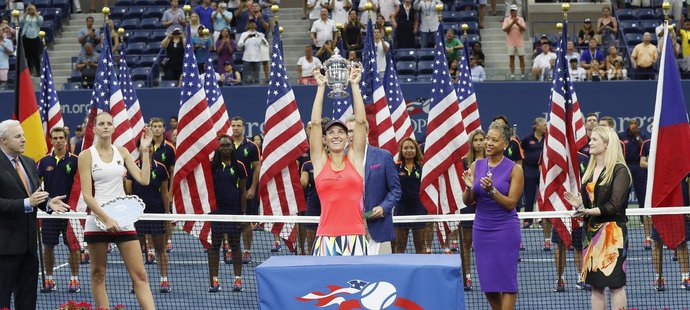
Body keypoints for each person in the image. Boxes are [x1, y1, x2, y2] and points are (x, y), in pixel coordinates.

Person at [77, 112, 156, 310]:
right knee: (98, 274)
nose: (105, 126)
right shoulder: (86, 156)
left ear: (114, 128)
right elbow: (87, 195)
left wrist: (145, 152)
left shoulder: (123, 152)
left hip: (123, 219)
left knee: (140, 275)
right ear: (94, 128)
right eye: (101, 123)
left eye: (109, 123)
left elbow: (144, 180)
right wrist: (105, 218)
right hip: (97, 219)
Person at [0, 120, 70, 309]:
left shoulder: (29, 162)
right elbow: (26, 201)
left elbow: (35, 196)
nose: (24, 139)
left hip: (30, 248)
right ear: (3, 140)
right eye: (18, 136)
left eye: (23, 135)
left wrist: (48, 203)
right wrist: (26, 203)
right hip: (4, 248)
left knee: (27, 300)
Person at [564, 126, 631, 310]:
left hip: (613, 234)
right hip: (591, 235)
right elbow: (588, 206)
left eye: (594, 140)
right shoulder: (589, 170)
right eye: (590, 139)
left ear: (607, 144)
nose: (589, 143)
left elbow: (615, 205)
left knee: (616, 286)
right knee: (596, 286)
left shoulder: (620, 171)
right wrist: (579, 204)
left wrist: (587, 211)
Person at [462, 121, 524, 309]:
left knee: (506, 281)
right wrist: (469, 188)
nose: (488, 143)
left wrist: (492, 191)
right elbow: (467, 201)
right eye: (487, 138)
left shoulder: (515, 169)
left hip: (506, 229)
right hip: (481, 228)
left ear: (505, 145)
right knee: (488, 284)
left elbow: (511, 203)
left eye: (494, 140)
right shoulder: (475, 165)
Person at [310, 63, 368, 256]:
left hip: (356, 239)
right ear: (325, 139)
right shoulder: (319, 162)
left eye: (341, 132)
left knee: (358, 286)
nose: (336, 135)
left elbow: (360, 121)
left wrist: (354, 85)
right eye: (331, 132)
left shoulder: (355, 159)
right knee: (325, 287)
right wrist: (320, 87)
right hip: (326, 239)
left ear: (347, 138)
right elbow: (316, 123)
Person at [345, 114, 401, 255]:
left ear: (366, 132)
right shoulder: (340, 159)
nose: (353, 134)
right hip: (348, 227)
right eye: (350, 131)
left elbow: (395, 190)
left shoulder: (384, 156)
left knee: (383, 272)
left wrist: (383, 207)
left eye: (357, 130)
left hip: (379, 227)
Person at [641, 139, 690, 291]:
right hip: (660, 205)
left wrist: (688, 207)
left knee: (681, 242)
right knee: (657, 242)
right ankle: (659, 278)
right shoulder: (656, 158)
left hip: (680, 206)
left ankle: (686, 277)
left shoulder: (684, 157)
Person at [37, 127, 81, 294]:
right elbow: (35, 184)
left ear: (65, 138)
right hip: (51, 212)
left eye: (61, 137)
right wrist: (45, 202)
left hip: (71, 212)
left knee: (73, 247)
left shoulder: (76, 160)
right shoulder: (44, 161)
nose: (58, 141)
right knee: (48, 246)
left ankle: (74, 279)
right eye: (54, 138)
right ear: (51, 140)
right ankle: (49, 279)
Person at [124, 138, 171, 294]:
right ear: (139, 148)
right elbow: (128, 192)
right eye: (145, 147)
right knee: (136, 251)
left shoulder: (161, 168)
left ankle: (164, 280)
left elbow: (165, 193)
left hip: (156, 213)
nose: (148, 149)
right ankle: (136, 282)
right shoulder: (132, 167)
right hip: (137, 215)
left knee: (160, 248)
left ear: (153, 148)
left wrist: (166, 214)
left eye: (150, 147)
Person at [207, 135, 247, 292]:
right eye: (222, 146)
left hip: (233, 211)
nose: (225, 148)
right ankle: (214, 281)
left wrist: (243, 214)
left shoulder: (239, 166)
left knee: (235, 246)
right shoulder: (211, 166)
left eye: (228, 146)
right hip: (215, 211)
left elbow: (243, 190)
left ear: (232, 147)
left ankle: (237, 280)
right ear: (218, 148)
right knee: (214, 247)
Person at [551, 151, 589, 292]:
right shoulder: (555, 157)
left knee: (579, 246)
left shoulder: (584, 158)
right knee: (560, 246)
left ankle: (581, 277)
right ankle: (559, 278)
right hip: (560, 209)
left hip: (578, 208)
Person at [230, 116, 261, 263]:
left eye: (238, 125)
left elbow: (257, 168)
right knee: (228, 221)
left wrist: (253, 188)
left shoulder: (252, 146)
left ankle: (247, 251)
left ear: (243, 128)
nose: (235, 128)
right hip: (229, 190)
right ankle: (230, 249)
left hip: (246, 190)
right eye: (233, 125)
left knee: (246, 221)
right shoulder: (225, 144)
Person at [459, 129, 486, 291]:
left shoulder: (493, 161)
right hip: (469, 205)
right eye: (475, 140)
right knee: (467, 243)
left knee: (483, 244)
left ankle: (485, 276)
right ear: (471, 142)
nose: (478, 142)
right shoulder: (464, 161)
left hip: (486, 206)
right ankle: (467, 277)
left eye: (481, 139)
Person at [619, 119, 651, 251]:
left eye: (635, 124)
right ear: (628, 125)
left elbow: (645, 150)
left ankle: (648, 238)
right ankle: (621, 236)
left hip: (640, 168)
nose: (633, 126)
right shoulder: (621, 137)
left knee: (643, 199)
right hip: (626, 167)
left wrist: (638, 137)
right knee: (622, 199)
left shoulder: (642, 136)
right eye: (631, 124)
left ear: (638, 125)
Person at [393, 137, 426, 254]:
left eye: (412, 148)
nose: (409, 150)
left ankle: (422, 271)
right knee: (400, 245)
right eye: (405, 148)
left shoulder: (423, 167)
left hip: (419, 209)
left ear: (416, 150)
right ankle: (398, 271)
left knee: (420, 245)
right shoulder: (395, 168)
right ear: (401, 150)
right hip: (401, 210)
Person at [149, 117, 176, 254]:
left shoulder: (170, 148)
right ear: (151, 128)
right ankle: (149, 247)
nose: (157, 129)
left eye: (160, 126)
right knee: (148, 217)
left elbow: (173, 171)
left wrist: (170, 192)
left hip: (165, 188)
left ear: (164, 129)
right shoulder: (146, 146)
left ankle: (168, 241)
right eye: (155, 126)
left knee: (167, 216)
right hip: (149, 188)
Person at [520, 117, 545, 232]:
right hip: (529, 169)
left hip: (543, 170)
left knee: (544, 195)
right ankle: (527, 219)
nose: (546, 127)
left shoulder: (548, 139)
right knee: (529, 196)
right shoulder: (527, 139)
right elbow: (520, 151)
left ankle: (543, 219)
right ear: (536, 126)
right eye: (544, 125)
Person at [502, 4, 526, 80]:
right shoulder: (507, 19)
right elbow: (505, 29)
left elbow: (524, 29)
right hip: (510, 42)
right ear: (510, 11)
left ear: (516, 11)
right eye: (512, 11)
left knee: (521, 58)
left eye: (514, 11)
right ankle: (512, 74)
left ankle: (522, 74)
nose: (513, 12)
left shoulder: (521, 19)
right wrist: (512, 23)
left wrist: (517, 23)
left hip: (519, 42)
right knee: (511, 58)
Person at [21, 4, 43, 76]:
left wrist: (36, 13)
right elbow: (21, 21)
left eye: (32, 9)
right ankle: (30, 70)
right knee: (28, 55)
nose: (30, 11)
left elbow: (40, 22)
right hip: (26, 36)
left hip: (34, 36)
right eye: (29, 9)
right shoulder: (26, 16)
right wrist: (26, 13)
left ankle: (38, 71)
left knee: (35, 55)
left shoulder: (38, 17)